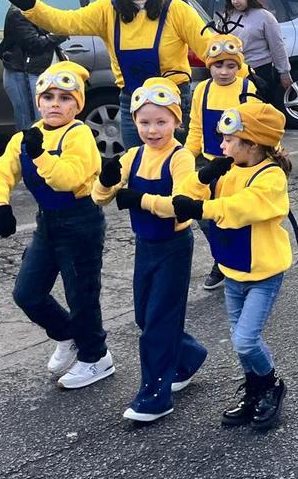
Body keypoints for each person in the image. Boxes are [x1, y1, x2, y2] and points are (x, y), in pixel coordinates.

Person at [0, 0, 209, 149]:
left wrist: (237, 73)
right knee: (135, 166)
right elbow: (65, 22)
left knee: (174, 168)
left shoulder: (176, 10)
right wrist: (31, 6)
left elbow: (209, 47)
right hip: (130, 102)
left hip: (171, 102)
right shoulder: (107, 10)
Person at [0, 62, 112, 389]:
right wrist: (0, 205)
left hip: (80, 221)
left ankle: (96, 357)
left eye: (66, 98)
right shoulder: (24, 138)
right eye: (49, 96)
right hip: (47, 224)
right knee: (27, 293)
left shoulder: (79, 134)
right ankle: (67, 334)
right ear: (38, 101)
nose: (55, 103)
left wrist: (40, 155)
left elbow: (68, 178)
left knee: (81, 295)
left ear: (78, 105)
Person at [172, 102, 294, 431]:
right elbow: (182, 195)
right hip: (233, 271)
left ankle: (271, 384)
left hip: (263, 274)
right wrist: (201, 178)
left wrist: (202, 207)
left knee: (245, 340)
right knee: (239, 338)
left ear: (252, 144)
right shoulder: (228, 167)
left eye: (228, 139)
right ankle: (254, 389)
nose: (221, 146)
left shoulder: (271, 177)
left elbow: (243, 207)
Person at [93, 76, 206, 423]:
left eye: (161, 121)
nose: (152, 129)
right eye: (144, 122)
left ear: (176, 120)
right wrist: (107, 179)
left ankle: (156, 395)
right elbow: (99, 197)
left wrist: (140, 199)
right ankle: (188, 357)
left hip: (173, 247)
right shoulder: (133, 155)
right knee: (146, 316)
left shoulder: (181, 157)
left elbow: (182, 204)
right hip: (145, 247)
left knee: (157, 321)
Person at [184, 35, 264, 292]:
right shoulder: (202, 90)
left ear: (239, 65)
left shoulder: (246, 90)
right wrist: (185, 157)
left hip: (239, 167)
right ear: (209, 65)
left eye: (231, 66)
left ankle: (247, 260)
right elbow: (196, 127)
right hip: (210, 166)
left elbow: (257, 130)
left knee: (238, 215)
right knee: (206, 217)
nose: (224, 71)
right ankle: (222, 258)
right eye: (218, 65)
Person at [0, 0, 67, 131]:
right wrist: (60, 34)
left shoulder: (34, 9)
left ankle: (40, 154)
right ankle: (27, 155)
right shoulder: (18, 12)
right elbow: (34, 44)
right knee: (29, 124)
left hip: (36, 72)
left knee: (41, 121)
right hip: (24, 73)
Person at [216, 0, 292, 110]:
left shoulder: (265, 17)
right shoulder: (228, 15)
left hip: (259, 70)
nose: (235, 2)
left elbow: (277, 46)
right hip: (234, 70)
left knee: (257, 109)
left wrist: (284, 72)